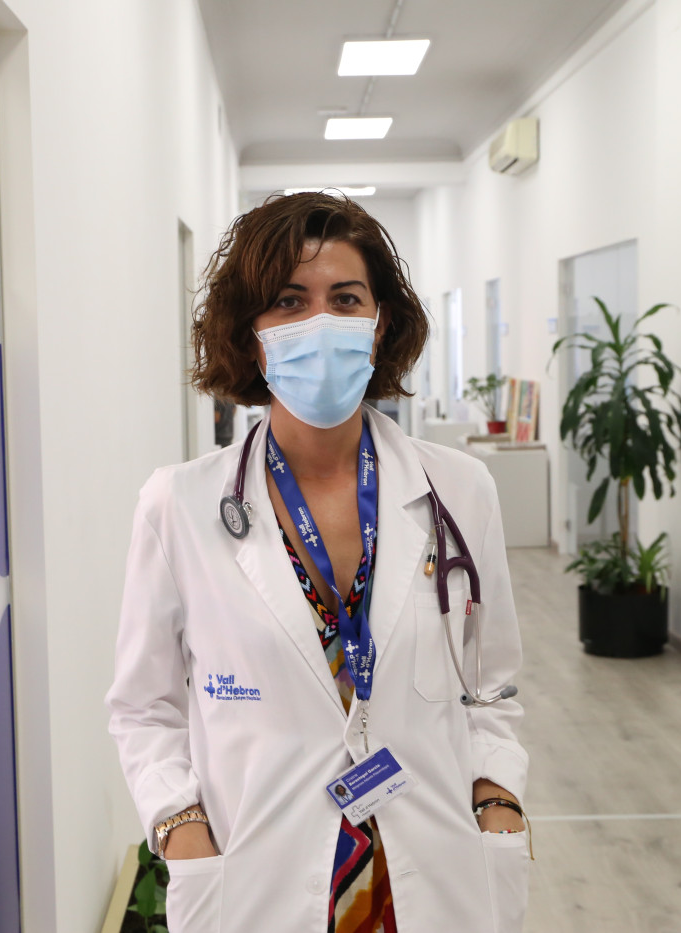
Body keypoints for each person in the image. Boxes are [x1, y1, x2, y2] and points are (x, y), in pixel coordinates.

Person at [106, 192, 532, 933]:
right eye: (289, 301)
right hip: (260, 879)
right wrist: (180, 825)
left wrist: (499, 799)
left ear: (380, 323)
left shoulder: (460, 490)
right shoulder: (178, 505)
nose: (320, 322)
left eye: (345, 299)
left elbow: (491, 684)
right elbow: (143, 707)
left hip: (432, 874)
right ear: (251, 333)